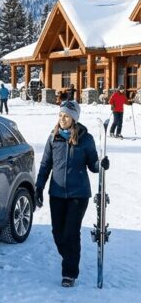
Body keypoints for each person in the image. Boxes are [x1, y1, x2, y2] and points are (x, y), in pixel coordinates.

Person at [35, 100, 109, 287]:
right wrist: (39, 187)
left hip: (78, 195)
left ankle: (69, 273)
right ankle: (70, 257)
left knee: (70, 233)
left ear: (74, 118)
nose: (62, 119)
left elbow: (93, 165)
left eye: (66, 116)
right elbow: (45, 165)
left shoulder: (86, 139)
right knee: (57, 233)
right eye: (60, 115)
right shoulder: (54, 137)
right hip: (57, 193)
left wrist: (101, 165)